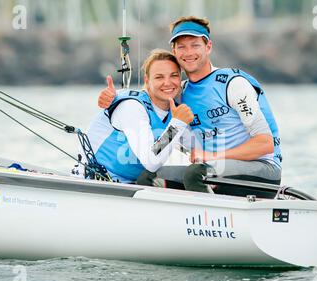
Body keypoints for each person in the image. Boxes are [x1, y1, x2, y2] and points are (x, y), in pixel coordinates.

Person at [98, 16, 282, 193]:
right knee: (148, 176)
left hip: (262, 170)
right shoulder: (179, 92)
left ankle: (212, 220)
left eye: (195, 45)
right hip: (210, 168)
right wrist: (114, 98)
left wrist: (213, 156)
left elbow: (265, 144)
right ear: (175, 51)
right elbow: (148, 96)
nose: (188, 53)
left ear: (208, 46)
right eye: (182, 47)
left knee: (196, 173)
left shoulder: (233, 84)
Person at [75, 49, 194, 183]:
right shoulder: (132, 107)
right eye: (159, 77)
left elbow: (197, 147)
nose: (167, 82)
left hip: (131, 186)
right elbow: (151, 161)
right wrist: (177, 125)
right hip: (95, 183)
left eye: (174, 76)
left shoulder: (175, 112)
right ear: (147, 81)